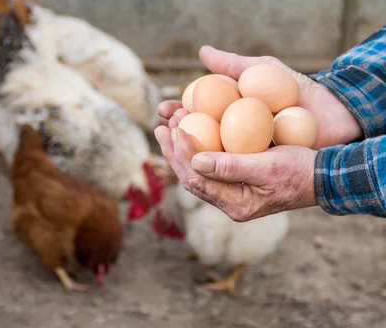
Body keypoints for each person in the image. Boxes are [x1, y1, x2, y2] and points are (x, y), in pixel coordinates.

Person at [154, 27, 386, 222]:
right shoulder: (250, 104)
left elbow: (250, 113)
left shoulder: (255, 106)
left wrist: (320, 176)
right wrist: (341, 96)